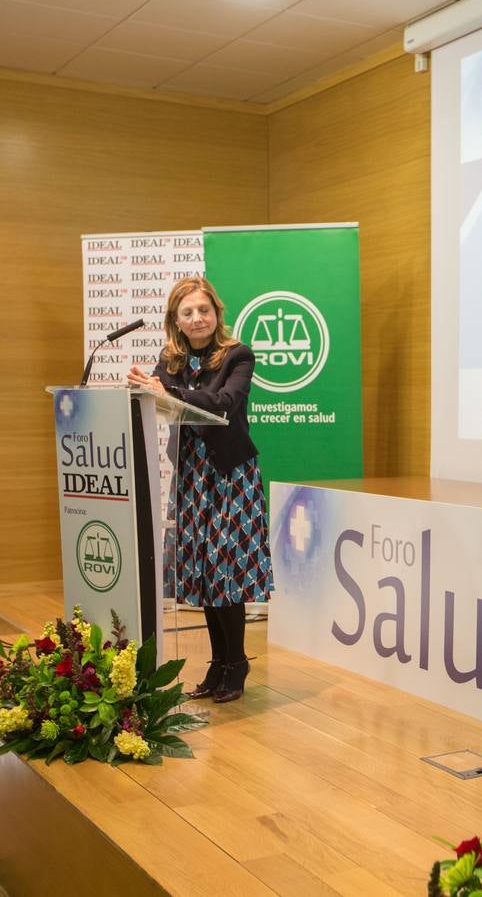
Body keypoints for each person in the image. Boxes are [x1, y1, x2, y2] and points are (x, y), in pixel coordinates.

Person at [127, 276, 272, 704]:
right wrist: (144, 387)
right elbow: (160, 398)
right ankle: (217, 663)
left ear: (216, 313)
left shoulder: (237, 356)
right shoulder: (168, 361)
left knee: (226, 572)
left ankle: (237, 662)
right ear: (176, 319)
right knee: (207, 576)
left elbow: (223, 402)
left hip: (230, 476)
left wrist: (166, 390)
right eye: (187, 312)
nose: (197, 318)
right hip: (191, 476)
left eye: (203, 310)